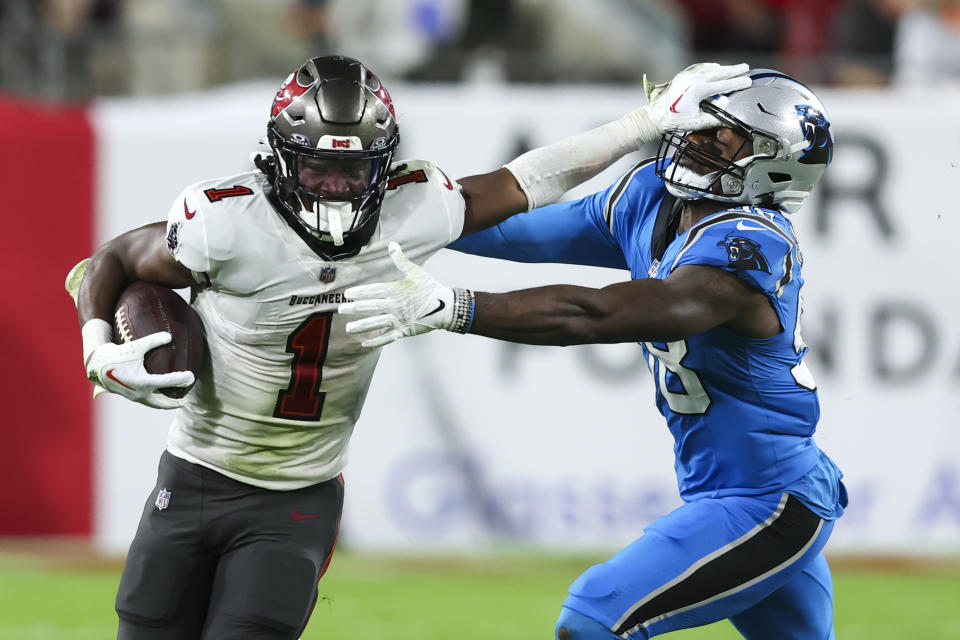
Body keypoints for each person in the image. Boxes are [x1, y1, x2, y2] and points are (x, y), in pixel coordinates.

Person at [64, 55, 751, 639]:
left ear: (385, 165)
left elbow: (529, 180)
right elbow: (113, 260)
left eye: (355, 172)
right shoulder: (223, 223)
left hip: (294, 496)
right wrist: (98, 342)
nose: (337, 190)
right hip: (193, 474)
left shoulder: (411, 204)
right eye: (318, 171)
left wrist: (644, 124)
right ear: (278, 159)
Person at [339, 69, 847, 639]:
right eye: (699, 129)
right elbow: (512, 230)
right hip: (736, 490)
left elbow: (602, 313)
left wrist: (456, 307)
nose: (695, 142)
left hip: (766, 500)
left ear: (774, 163)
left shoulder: (752, 241)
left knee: (594, 615)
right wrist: (380, 207)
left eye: (721, 137)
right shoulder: (654, 199)